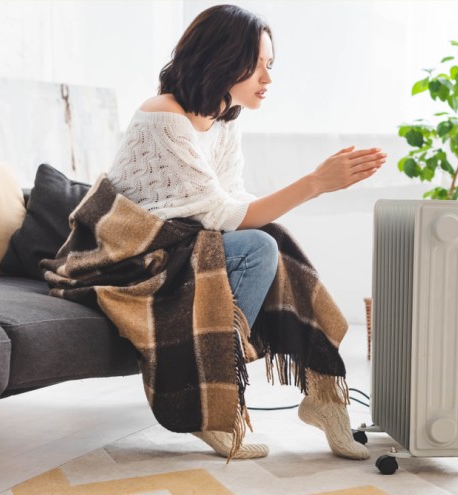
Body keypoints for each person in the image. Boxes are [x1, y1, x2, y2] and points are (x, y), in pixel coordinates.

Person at [106, 4, 386, 460]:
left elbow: (232, 201)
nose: (267, 78)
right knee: (260, 243)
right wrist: (315, 183)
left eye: (269, 65)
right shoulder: (163, 115)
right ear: (219, 58)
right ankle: (214, 403)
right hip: (135, 253)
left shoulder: (223, 117)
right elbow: (223, 214)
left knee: (270, 238)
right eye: (256, 65)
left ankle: (323, 396)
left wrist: (308, 189)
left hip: (184, 245)